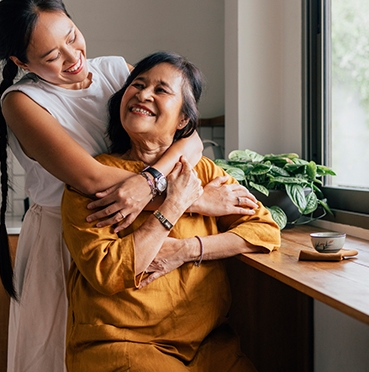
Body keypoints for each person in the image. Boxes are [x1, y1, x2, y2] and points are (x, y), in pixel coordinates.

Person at [0, 0, 261, 371]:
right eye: (52, 56)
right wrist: (190, 200)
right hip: (73, 238)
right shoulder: (21, 102)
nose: (73, 58)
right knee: (62, 356)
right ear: (22, 61)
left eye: (72, 36)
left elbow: (190, 135)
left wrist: (149, 180)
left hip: (143, 229)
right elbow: (91, 178)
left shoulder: (117, 70)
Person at [61, 52, 282, 371]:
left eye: (161, 89)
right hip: (123, 346)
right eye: (137, 84)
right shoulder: (94, 178)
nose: (143, 93)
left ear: (183, 120)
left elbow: (264, 230)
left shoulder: (202, 170)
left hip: (209, 346)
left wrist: (186, 250)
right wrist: (174, 204)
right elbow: (108, 272)